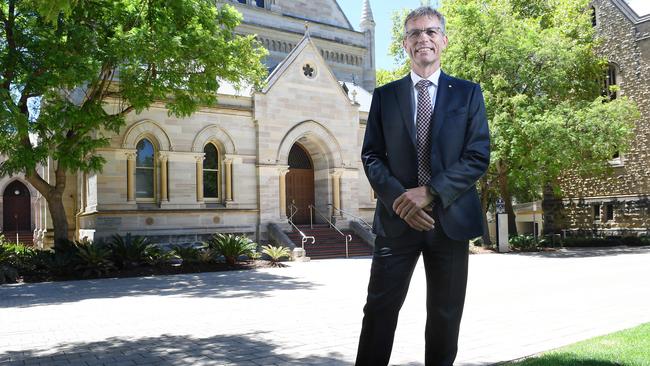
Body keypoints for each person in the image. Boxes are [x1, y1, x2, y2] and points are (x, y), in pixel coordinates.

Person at [356, 6, 490, 366]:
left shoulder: (467, 93)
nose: (423, 39)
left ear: (443, 40)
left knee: (446, 316)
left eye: (431, 32)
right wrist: (403, 199)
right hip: (397, 221)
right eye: (414, 34)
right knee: (379, 311)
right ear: (405, 45)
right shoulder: (385, 96)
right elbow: (371, 156)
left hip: (450, 222)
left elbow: (477, 156)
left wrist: (431, 191)